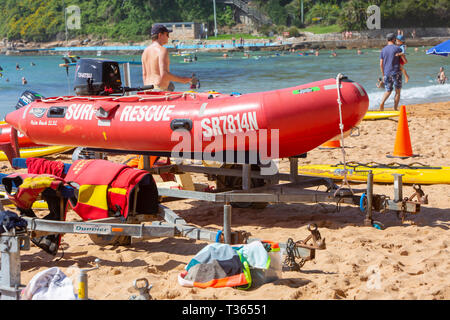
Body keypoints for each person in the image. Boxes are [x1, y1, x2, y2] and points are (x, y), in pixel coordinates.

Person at [141, 24, 192, 92]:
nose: (168, 37)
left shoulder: (145, 51)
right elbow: (164, 74)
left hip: (146, 89)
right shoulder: (162, 50)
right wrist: (182, 80)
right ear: (160, 35)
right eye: (167, 34)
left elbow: (144, 75)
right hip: (158, 89)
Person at [378, 33, 404, 111]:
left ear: (387, 40)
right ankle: (395, 108)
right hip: (396, 72)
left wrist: (383, 74)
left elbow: (381, 64)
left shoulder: (383, 50)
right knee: (397, 91)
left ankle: (382, 103)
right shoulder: (398, 49)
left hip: (386, 73)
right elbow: (403, 61)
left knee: (388, 90)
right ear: (394, 39)